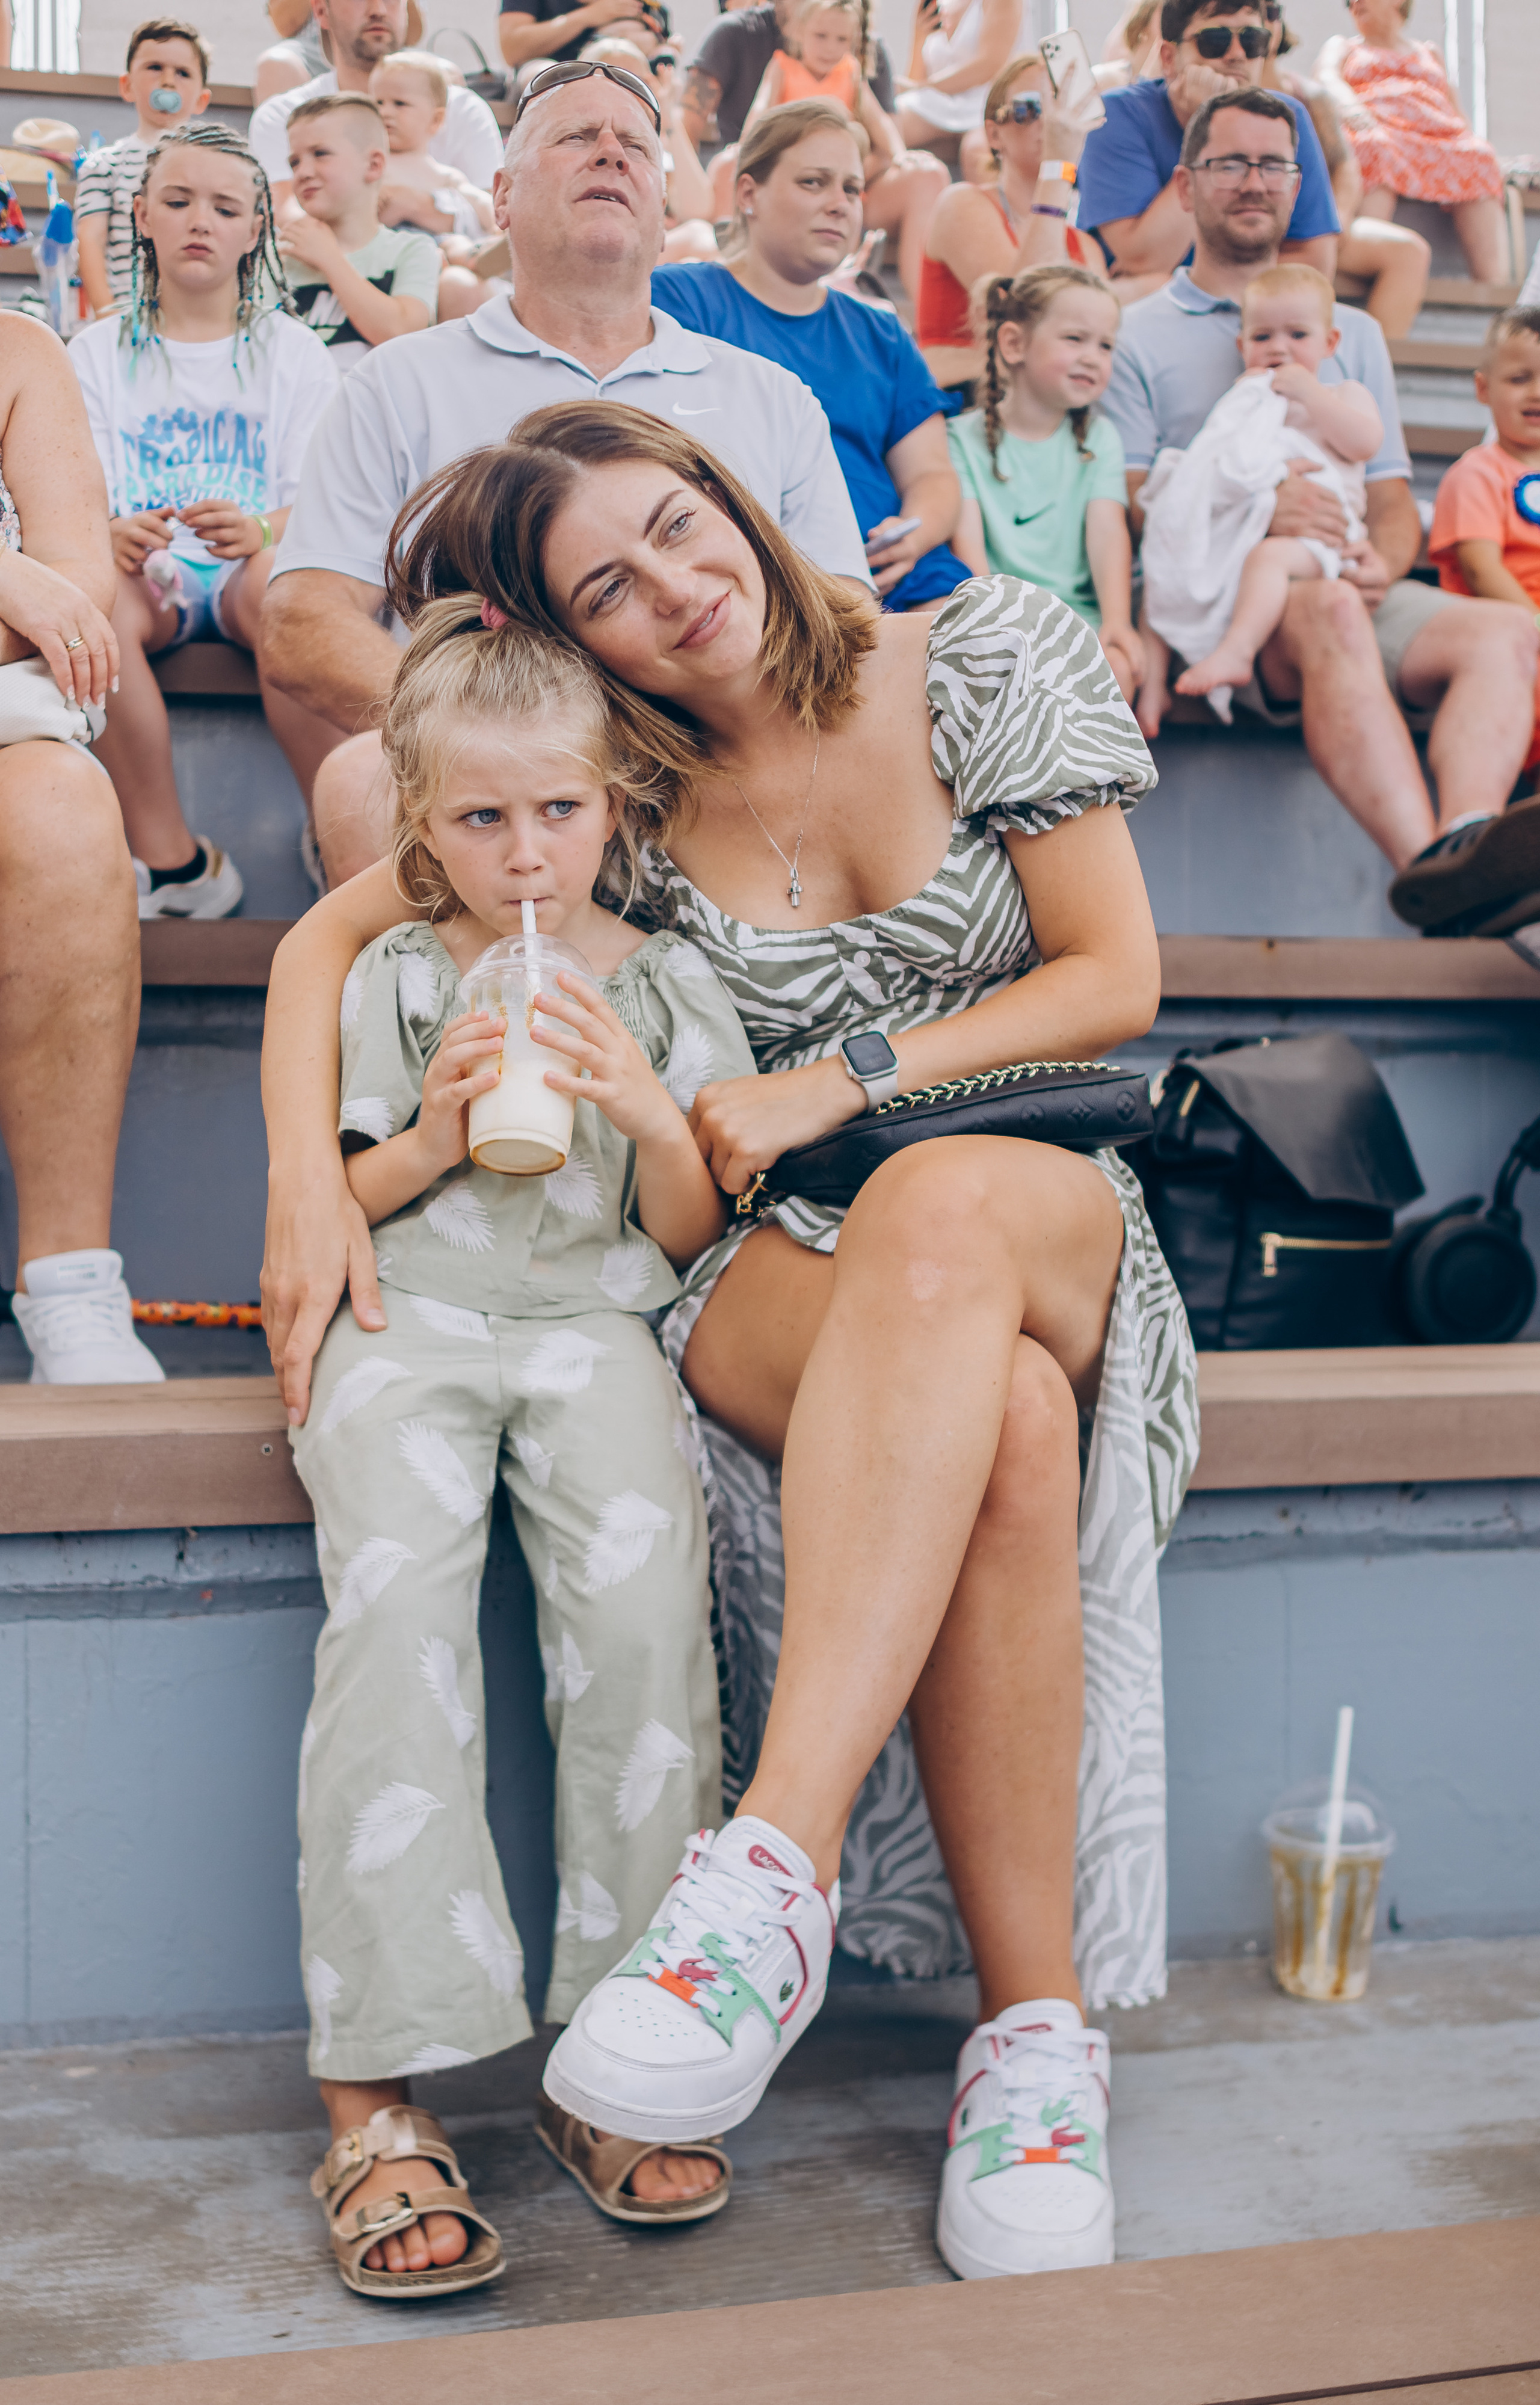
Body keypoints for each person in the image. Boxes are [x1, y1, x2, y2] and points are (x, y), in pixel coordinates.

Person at [260, 399, 1201, 2282]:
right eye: (606, 584)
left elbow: (1109, 974)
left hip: (1031, 1199)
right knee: (997, 1414)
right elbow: (330, 935)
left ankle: (760, 1877)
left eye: (679, 526)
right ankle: (1035, 2047)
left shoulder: (982, 649)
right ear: (575, 640)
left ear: (744, 507)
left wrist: (831, 1077)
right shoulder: (611, 794)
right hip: (777, 1264)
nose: (671, 587)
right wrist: (307, 1169)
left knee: (945, 1227)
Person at [294, 597, 760, 2293]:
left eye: (556, 811)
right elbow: (344, 1195)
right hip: (412, 1315)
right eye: (480, 819)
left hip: (593, 1323)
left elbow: (692, 1215)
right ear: (420, 823)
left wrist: (644, 1103)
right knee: (398, 1623)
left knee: (644, 1641)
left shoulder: (669, 981)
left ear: (614, 801)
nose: (524, 853)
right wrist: (428, 1129)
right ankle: (377, 2081)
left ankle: (622, 2051)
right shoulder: (402, 969)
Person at [259, 62, 873, 888]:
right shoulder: (397, 383)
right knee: (359, 779)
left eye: (637, 147)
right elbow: (302, 622)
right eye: (578, 137)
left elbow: (845, 614)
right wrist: (502, 735)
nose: (611, 154)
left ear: (665, 214)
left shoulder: (771, 397)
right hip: (500, 794)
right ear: (502, 197)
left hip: (723, 774)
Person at [1101, 87, 1540, 935]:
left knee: (1511, 634)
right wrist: (1262, 512)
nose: (1255, 182)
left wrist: (1381, 552)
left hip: (1342, 576)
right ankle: (1435, 879)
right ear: (1187, 184)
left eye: (1274, 164)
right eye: (1232, 163)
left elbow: (1390, 498)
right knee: (1334, 606)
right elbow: (1132, 499)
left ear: (1301, 182)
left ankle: (1466, 839)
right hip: (1231, 596)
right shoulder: (1138, 333)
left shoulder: (1351, 334)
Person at [71, 125, 339, 922]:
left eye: (224, 207)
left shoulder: (292, 352)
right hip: (144, 580)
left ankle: (340, 830)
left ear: (254, 229)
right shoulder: (93, 352)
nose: (199, 221)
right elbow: (72, 503)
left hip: (249, 571)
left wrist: (260, 528)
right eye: (179, 201)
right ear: (142, 215)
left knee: (284, 589)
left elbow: (322, 507)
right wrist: (108, 531)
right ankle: (174, 861)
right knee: (96, 604)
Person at [0, 316, 165, 1384]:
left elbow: (74, 599)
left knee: (63, 808)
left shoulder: (17, 353)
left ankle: (68, 1279)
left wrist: (26, 585)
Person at [651, 102, 966, 611]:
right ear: (749, 194)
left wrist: (915, 534)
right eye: (814, 183)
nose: (840, 203)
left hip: (905, 580)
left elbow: (931, 474)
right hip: (772, 589)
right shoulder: (679, 303)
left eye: (851, 188)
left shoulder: (881, 331)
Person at [1140, 262, 1382, 727]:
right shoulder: (1244, 398)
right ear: (1242, 345)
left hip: (1322, 541)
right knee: (1167, 561)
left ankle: (1237, 651)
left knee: (1268, 558)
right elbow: (1222, 460)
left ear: (1330, 343)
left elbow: (1364, 442)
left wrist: (1312, 395)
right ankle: (1152, 692)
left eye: (1298, 335)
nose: (1279, 348)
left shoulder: (1342, 393)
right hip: (1244, 529)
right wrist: (1267, 474)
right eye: (1263, 337)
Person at [949, 266, 1141, 704]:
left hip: (1079, 622)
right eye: (1075, 339)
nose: (1093, 356)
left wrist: (1117, 621)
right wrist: (998, 631)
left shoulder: (1099, 439)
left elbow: (1108, 531)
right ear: (1014, 343)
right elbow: (970, 551)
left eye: (1106, 345)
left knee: (1117, 670)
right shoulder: (960, 439)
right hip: (1000, 623)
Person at [1078, 0, 1338, 287]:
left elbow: (1314, 264)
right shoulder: (1117, 115)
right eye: (1215, 41)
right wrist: (1206, 128)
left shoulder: (1286, 117)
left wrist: (1209, 283)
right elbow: (1145, 262)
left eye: (1253, 41)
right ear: (1168, 57)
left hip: (1256, 315)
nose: (1238, 55)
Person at [916, 52, 1107, 394]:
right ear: (994, 135)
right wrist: (1058, 166)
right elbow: (1026, 317)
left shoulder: (1086, 247)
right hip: (963, 407)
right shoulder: (963, 204)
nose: (1049, 122)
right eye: (1029, 108)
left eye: (1059, 107)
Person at [742, 0, 946, 301]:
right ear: (800, 32)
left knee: (847, 195)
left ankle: (848, 274)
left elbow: (880, 124)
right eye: (821, 37)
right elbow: (760, 111)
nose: (830, 48)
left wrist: (900, 153)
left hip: (841, 180)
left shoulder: (850, 73)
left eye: (841, 40)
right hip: (797, 175)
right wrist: (746, 145)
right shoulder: (783, 68)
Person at [1428, 307, 1540, 809]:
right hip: (1509, 634)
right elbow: (1481, 567)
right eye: (1519, 379)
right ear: (1482, 389)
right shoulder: (1478, 473)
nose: (1536, 392)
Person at [1314, 0, 1508, 288]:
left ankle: (1495, 288)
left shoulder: (1429, 52)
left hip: (1439, 137)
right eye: (1348, 2)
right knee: (1373, 146)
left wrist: (1470, 140)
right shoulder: (1345, 46)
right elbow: (1325, 77)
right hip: (1379, 129)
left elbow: (1454, 105)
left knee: (1480, 156)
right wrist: (1353, 109)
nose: (1353, 4)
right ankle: (1361, 266)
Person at [249, 0, 504, 219]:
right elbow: (286, 220)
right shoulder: (284, 116)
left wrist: (411, 205)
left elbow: (496, 220)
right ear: (321, 12)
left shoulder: (461, 109)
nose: (378, 9)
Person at [1264, 11, 1429, 342]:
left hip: (1322, 227)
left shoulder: (1308, 95)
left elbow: (1346, 166)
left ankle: (1376, 369)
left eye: (1269, 12)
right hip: (1262, 233)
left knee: (1410, 252)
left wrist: (1335, 219)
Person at [279, 94, 442, 368]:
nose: (303, 172)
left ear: (374, 165)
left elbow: (402, 333)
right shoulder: (281, 256)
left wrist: (330, 259)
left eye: (320, 154)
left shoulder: (412, 251)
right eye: (294, 162)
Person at [75, 16, 212, 319]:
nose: (168, 81)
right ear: (127, 86)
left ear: (202, 99)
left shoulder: (215, 168)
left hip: (197, 321)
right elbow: (91, 240)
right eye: (154, 68)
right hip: (127, 318)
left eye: (183, 73)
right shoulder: (105, 165)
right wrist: (106, 314)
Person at [895, 0, 1023, 174]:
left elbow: (989, 65)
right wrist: (919, 38)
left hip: (982, 106)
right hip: (936, 107)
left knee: (976, 151)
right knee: (890, 126)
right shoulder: (932, 5)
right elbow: (915, 80)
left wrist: (921, 87)